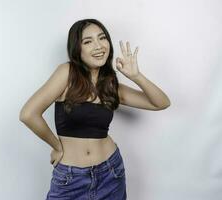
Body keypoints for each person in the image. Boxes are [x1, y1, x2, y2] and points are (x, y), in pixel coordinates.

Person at [19, 18, 170, 200]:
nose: (98, 46)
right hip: (71, 178)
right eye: (88, 41)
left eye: (102, 38)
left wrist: (136, 76)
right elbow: (29, 114)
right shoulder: (67, 73)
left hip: (111, 172)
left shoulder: (110, 85)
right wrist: (56, 146)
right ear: (77, 49)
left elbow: (160, 103)